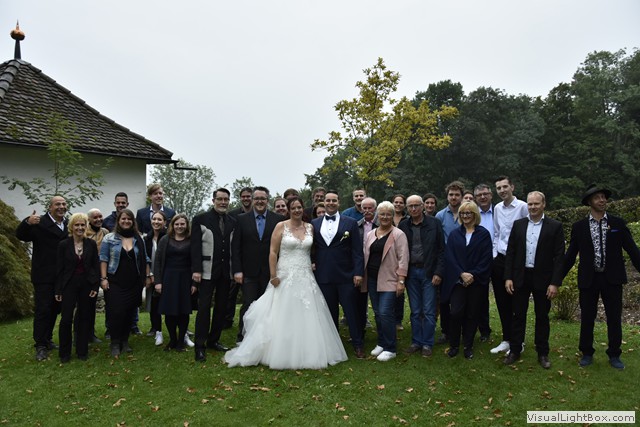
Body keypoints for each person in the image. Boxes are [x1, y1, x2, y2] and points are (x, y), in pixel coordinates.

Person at [225, 197, 347, 369]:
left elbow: (314, 250)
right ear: (289, 210)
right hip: (285, 274)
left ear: (303, 209)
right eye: (293, 208)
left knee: (308, 312)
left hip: (305, 275)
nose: (297, 210)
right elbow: (273, 252)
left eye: (299, 207)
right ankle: (279, 350)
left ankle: (308, 350)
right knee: (282, 312)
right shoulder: (280, 226)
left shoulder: (310, 227)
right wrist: (273, 275)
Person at [563, 185, 640, 370]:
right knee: (587, 317)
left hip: (612, 278)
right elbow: (570, 256)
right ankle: (587, 352)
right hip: (589, 279)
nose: (602, 200)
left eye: (604, 197)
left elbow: (632, 250)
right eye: (597, 197)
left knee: (614, 318)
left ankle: (614, 354)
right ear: (589, 202)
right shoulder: (579, 227)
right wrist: (555, 280)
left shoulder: (618, 224)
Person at [503, 191, 564, 369]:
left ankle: (542, 352)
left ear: (544, 204)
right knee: (518, 315)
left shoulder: (555, 226)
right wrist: (508, 277)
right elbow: (511, 253)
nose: (533, 207)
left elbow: (559, 257)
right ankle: (515, 350)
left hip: (543, 279)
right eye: (530, 204)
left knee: (542, 316)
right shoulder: (519, 225)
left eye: (536, 204)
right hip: (520, 277)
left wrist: (555, 282)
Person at [312, 190, 366, 359]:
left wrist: (358, 273)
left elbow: (357, 251)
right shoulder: (314, 224)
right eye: (328, 200)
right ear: (324, 202)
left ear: (339, 202)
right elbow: (312, 248)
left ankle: (358, 344)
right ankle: (332, 346)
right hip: (324, 275)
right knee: (329, 312)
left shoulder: (350, 223)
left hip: (346, 275)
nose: (331, 203)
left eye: (334, 200)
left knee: (351, 312)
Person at [16, 195, 68, 361]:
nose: (61, 207)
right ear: (50, 207)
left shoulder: (67, 224)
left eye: (64, 204)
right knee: (43, 309)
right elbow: (21, 235)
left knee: (55, 309)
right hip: (44, 275)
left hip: (61, 276)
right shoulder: (39, 223)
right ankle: (40, 345)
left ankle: (48, 339)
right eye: (57, 204)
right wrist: (27, 222)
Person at [232, 186, 285, 343]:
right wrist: (237, 270)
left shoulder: (278, 220)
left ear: (267, 200)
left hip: (271, 271)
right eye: (257, 198)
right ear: (252, 200)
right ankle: (243, 337)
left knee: (269, 305)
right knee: (249, 304)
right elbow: (236, 247)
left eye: (263, 199)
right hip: (248, 271)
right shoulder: (241, 219)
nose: (260, 201)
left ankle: (266, 337)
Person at [442, 201, 492, 359]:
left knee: (472, 314)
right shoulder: (454, 234)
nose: (465, 216)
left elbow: (486, 258)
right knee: (456, 312)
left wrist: (472, 274)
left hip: (476, 282)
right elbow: (450, 257)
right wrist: (461, 274)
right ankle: (454, 345)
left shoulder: (483, 234)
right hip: (458, 281)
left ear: (475, 214)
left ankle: (468, 346)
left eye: (468, 213)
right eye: (462, 213)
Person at [99, 209, 152, 358]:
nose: (126, 221)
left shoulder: (138, 238)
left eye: (129, 219)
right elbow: (103, 258)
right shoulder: (109, 238)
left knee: (129, 312)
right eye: (123, 219)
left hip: (134, 282)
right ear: (118, 221)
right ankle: (115, 342)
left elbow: (145, 258)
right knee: (116, 312)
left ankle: (125, 340)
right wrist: (103, 278)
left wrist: (148, 276)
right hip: (115, 281)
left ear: (133, 221)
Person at [191, 188, 236, 362]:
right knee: (204, 308)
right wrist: (196, 269)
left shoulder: (233, 221)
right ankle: (200, 345)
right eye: (220, 199)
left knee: (221, 307)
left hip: (225, 271)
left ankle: (213, 340)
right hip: (206, 270)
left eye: (226, 199)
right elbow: (195, 247)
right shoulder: (200, 219)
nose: (223, 202)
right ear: (213, 200)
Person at [398, 195, 445, 358]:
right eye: (410, 206)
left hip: (429, 272)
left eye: (416, 205)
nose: (413, 209)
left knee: (429, 310)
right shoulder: (404, 225)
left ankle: (427, 343)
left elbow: (441, 250)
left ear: (423, 206)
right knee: (415, 310)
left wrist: (438, 272)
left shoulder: (434, 223)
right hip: (411, 272)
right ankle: (416, 342)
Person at [363, 201, 409, 362]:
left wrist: (401, 280)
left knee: (385, 312)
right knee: (377, 313)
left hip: (390, 279)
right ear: (377, 215)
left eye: (388, 214)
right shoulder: (371, 234)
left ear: (392, 216)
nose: (385, 217)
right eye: (382, 214)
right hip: (372, 279)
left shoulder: (398, 234)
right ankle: (382, 343)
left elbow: (403, 258)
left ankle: (391, 348)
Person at [490, 176, 529, 355]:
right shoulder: (497, 208)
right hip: (500, 259)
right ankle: (506, 339)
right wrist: (494, 254)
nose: (502, 190)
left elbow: (528, 231)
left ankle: (518, 341)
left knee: (517, 303)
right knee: (502, 302)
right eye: (499, 188)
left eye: (505, 186)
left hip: (517, 261)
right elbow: (497, 233)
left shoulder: (523, 207)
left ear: (512, 187)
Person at [55, 213, 99, 362]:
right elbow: (59, 269)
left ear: (86, 226)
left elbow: (95, 266)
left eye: (82, 225)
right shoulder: (63, 245)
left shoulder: (91, 244)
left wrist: (95, 286)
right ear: (71, 227)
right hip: (69, 284)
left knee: (84, 317)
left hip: (86, 284)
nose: (80, 228)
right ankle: (64, 353)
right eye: (77, 225)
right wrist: (58, 289)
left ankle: (82, 351)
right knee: (66, 318)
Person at [154, 214, 196, 352]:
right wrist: (158, 282)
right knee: (169, 311)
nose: (179, 226)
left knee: (184, 312)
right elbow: (158, 261)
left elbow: (196, 262)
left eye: (182, 224)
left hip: (186, 279)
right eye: (177, 224)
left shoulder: (192, 240)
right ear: (172, 225)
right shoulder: (165, 240)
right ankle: (172, 340)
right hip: (168, 279)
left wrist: (194, 283)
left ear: (187, 225)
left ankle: (181, 341)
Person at [83, 208, 109, 344]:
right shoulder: (84, 233)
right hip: (88, 272)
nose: (98, 219)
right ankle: (82, 333)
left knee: (103, 302)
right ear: (89, 220)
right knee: (85, 304)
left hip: (103, 271)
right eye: (95, 217)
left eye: (100, 216)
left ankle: (94, 333)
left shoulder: (105, 232)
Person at [474, 184, 494, 342]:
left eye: (485, 194)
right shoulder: (473, 214)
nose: (483, 197)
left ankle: (509, 334)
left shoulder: (499, 211)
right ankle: (483, 330)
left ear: (491, 195)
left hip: (498, 259)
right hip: (479, 261)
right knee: (480, 298)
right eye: (479, 195)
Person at [143, 211, 167, 346]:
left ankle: (181, 328)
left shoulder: (168, 237)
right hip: (151, 275)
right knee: (153, 304)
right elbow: (144, 258)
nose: (156, 222)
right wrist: (149, 275)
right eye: (154, 219)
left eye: (159, 219)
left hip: (166, 275)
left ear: (164, 222)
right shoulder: (146, 238)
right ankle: (156, 329)